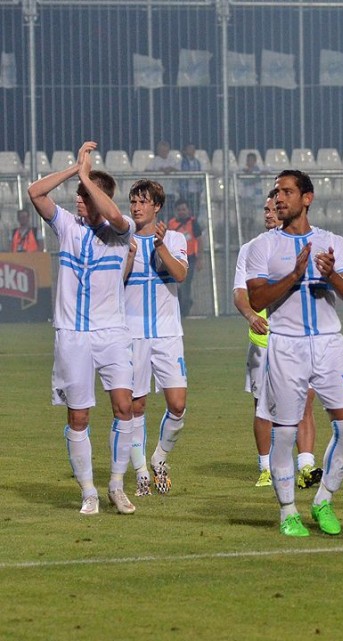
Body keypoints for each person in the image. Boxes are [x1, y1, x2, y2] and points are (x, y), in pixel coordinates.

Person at [246, 170, 343, 537]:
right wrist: (294, 276)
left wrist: (331, 277)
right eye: (277, 193)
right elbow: (257, 298)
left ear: (306, 198)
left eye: (287, 192)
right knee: (284, 433)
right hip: (287, 346)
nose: (279, 198)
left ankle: (323, 499)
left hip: (329, 344)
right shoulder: (262, 246)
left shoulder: (332, 241)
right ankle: (287, 511)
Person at [29, 140, 137, 515]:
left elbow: (116, 217)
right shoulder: (67, 226)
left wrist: (89, 179)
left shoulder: (123, 233)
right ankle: (88, 491)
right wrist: (77, 171)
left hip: (112, 333)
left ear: (99, 198)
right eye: (76, 194)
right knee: (78, 416)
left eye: (83, 195)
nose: (77, 200)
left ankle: (116, 486)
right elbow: (35, 192)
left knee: (125, 407)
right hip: (72, 334)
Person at [233, 189, 323, 489]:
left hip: (299, 340)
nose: (269, 213)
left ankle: (307, 466)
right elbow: (240, 293)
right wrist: (251, 316)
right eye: (266, 209)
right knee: (264, 406)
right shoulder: (251, 249)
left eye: (274, 208)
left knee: (305, 402)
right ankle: (265, 468)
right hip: (264, 343)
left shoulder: (303, 245)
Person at [122, 179, 189, 497]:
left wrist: (159, 246)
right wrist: (129, 258)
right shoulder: (121, 239)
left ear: (156, 206)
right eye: (133, 201)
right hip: (132, 334)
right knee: (136, 405)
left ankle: (160, 458)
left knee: (178, 404)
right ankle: (140, 474)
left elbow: (180, 274)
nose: (136, 207)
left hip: (167, 333)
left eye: (142, 201)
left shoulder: (174, 237)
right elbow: (114, 283)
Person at [166, 199, 202, 316]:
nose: (182, 212)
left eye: (184, 209)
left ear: (188, 210)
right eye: (179, 210)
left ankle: (184, 312)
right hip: (174, 259)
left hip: (189, 258)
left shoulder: (193, 223)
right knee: (177, 285)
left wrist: (199, 259)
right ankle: (184, 305)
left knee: (185, 284)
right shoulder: (171, 224)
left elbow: (199, 240)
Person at [179, 143, 204, 216]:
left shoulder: (198, 162)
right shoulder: (181, 162)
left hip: (196, 191)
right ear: (186, 151)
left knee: (195, 211)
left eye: (193, 149)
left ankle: (193, 225)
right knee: (185, 210)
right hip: (185, 191)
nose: (192, 150)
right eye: (190, 149)